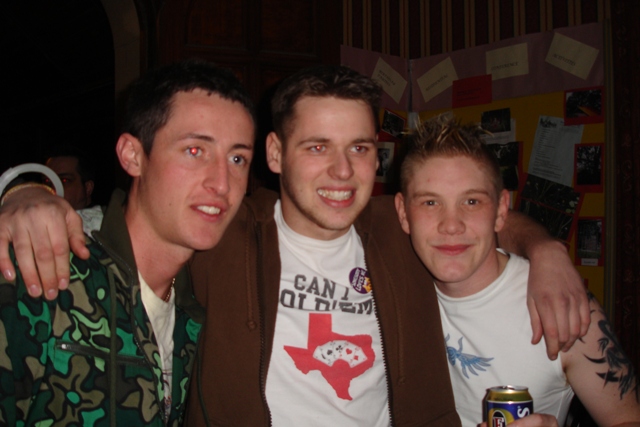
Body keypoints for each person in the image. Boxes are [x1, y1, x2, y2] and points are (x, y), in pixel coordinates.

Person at [0, 66, 589, 426]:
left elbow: (472, 211)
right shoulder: (226, 227)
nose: (342, 171)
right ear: (277, 154)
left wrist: (546, 250)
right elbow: (134, 221)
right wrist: (26, 191)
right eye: (317, 147)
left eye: (359, 148)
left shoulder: (400, 228)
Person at [0, 59, 255, 426]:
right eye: (195, 150)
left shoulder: (203, 309)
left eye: (238, 158)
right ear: (133, 156)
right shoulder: (41, 273)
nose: (222, 182)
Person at [394, 115, 640, 427]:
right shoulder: (391, 279)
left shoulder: (562, 305)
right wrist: (542, 245)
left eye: (471, 201)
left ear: (500, 210)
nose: (451, 225)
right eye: (430, 203)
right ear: (403, 213)